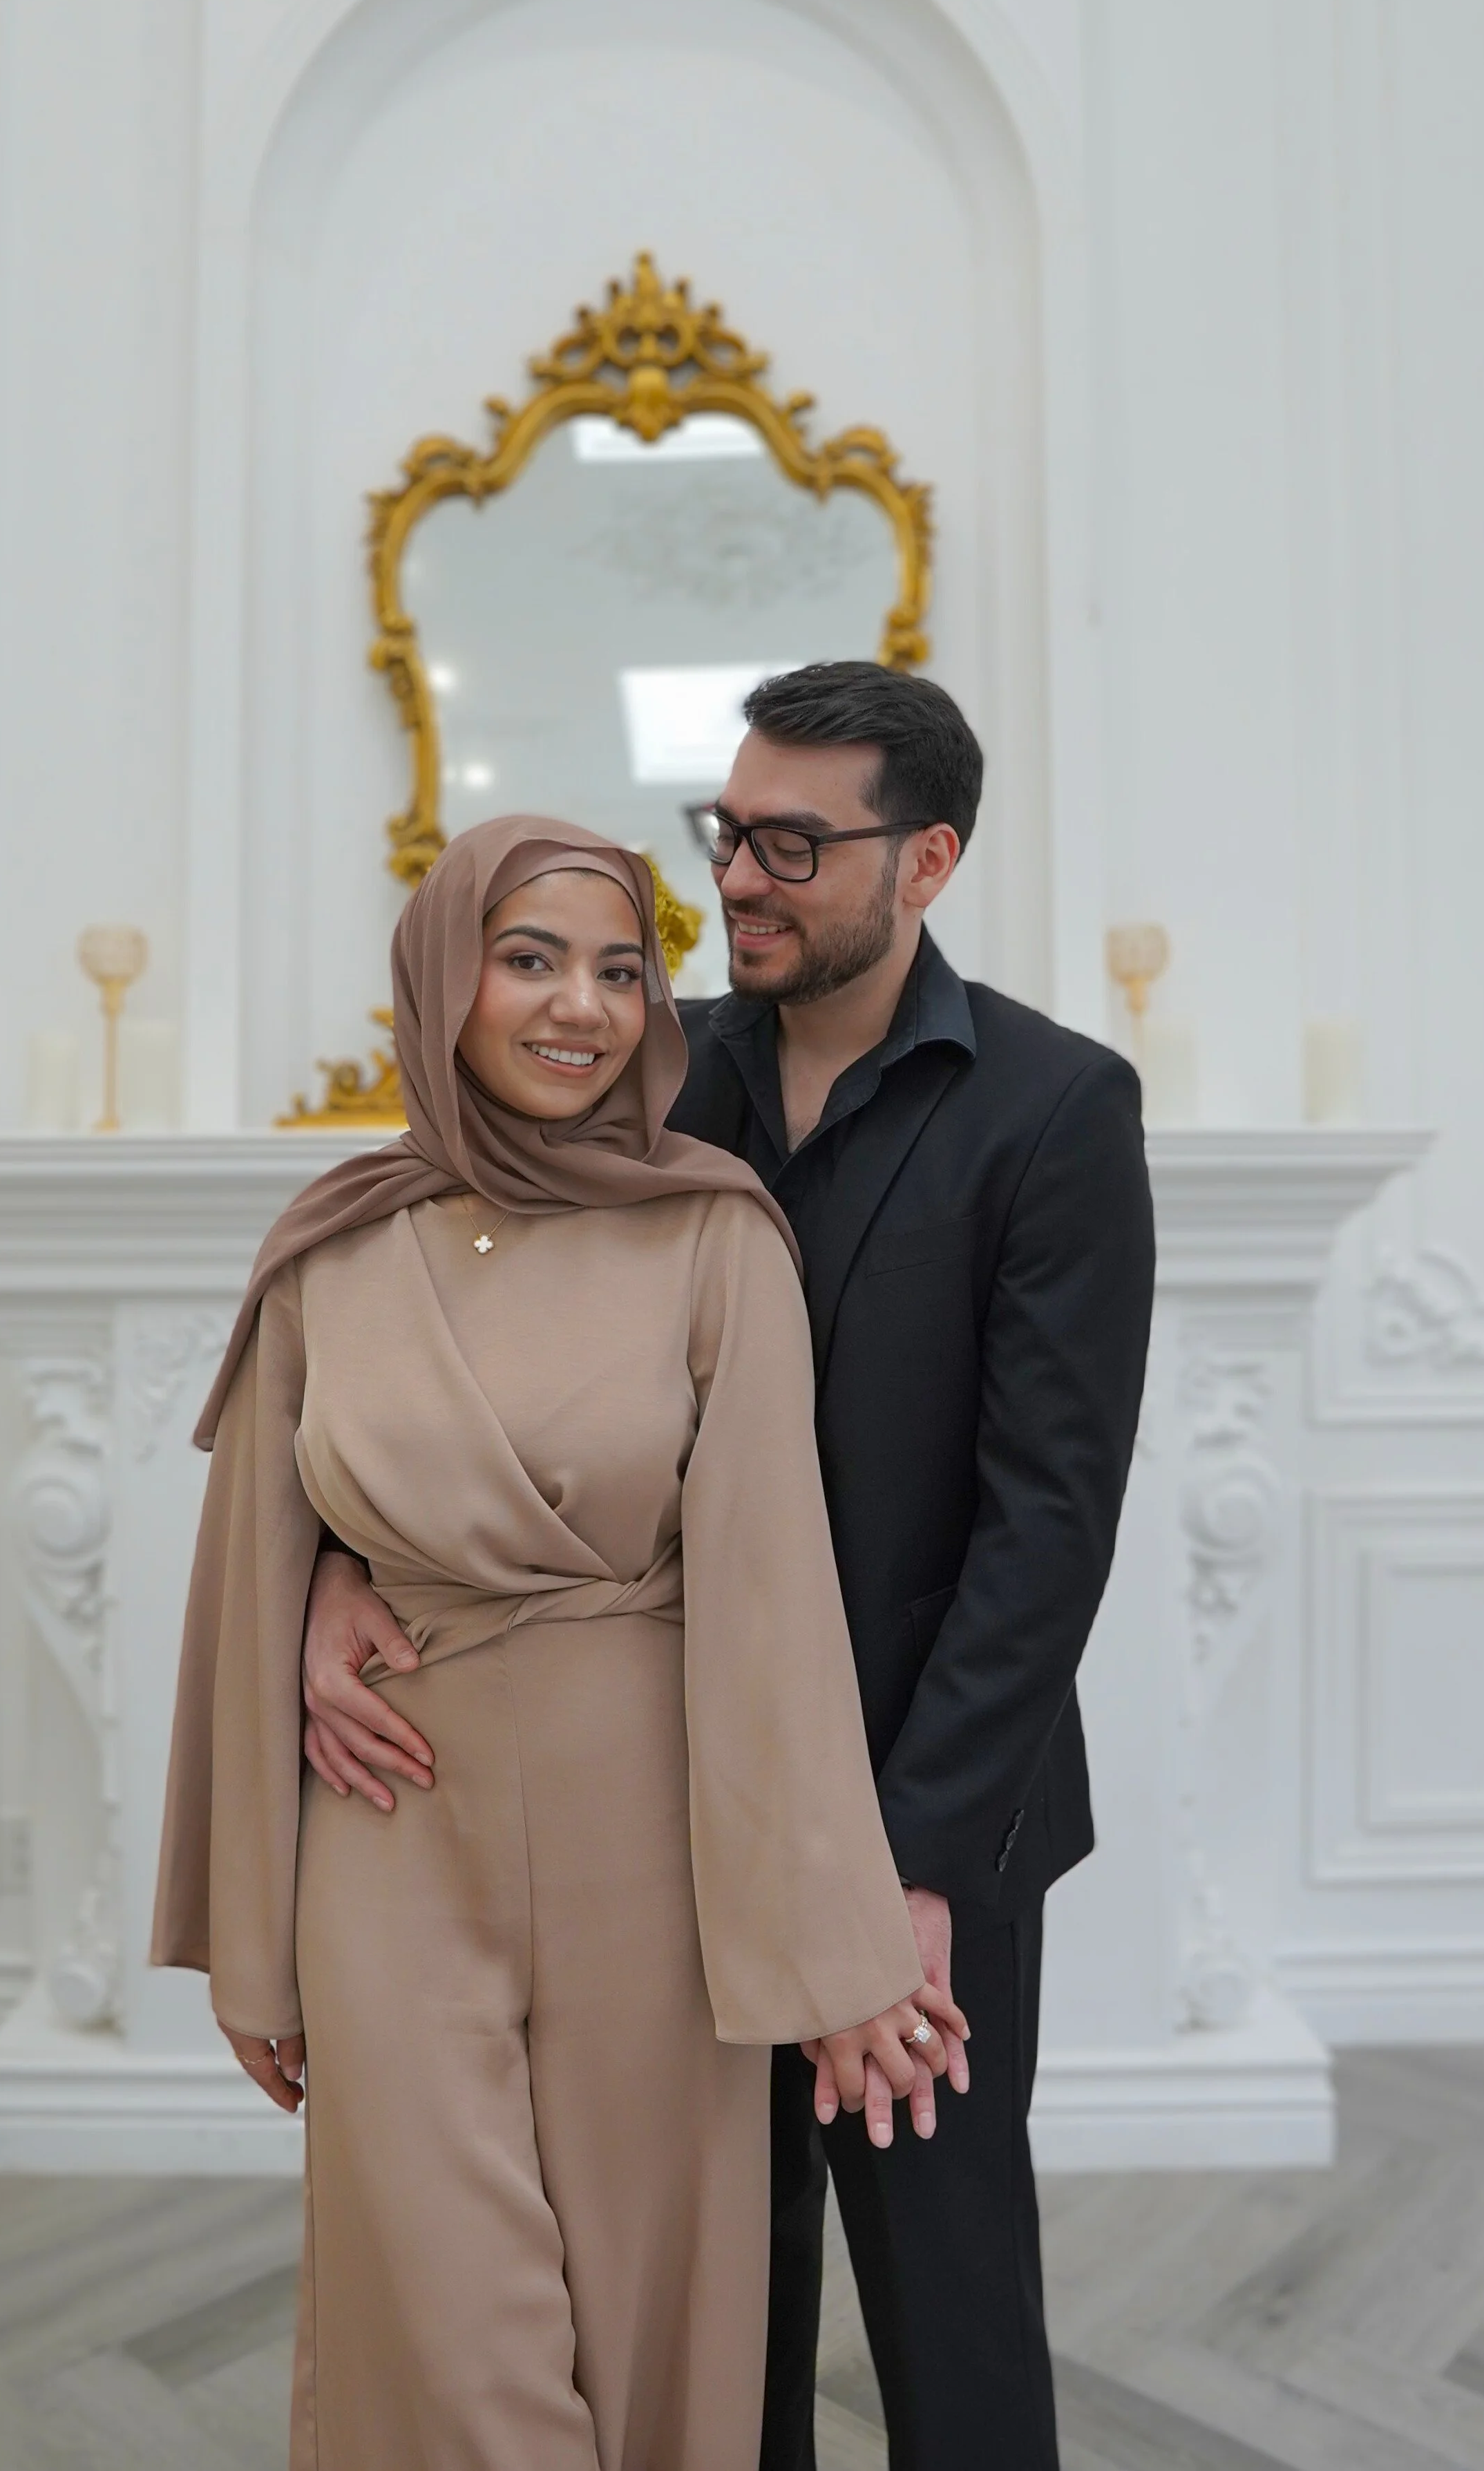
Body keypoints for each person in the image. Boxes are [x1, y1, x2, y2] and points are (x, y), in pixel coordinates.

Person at [301, 667, 1157, 2471]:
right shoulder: (646, 1065)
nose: (740, 875)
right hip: (660, 1804)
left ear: (923, 861)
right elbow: (432, 1315)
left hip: (927, 1818)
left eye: (792, 839)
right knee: (696, 2299)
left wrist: (901, 1872)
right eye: (728, 830)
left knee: (947, 2294)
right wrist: (328, 1575)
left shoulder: (1055, 1110)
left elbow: (1046, 1523)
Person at [151, 813, 965, 2471]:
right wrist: (251, 1926)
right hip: (389, 1838)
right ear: (444, 978)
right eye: (527, 959)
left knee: (645, 2328)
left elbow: (768, 1602)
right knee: (445, 2340)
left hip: (648, 1859)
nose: (576, 1006)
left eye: (616, 968)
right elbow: (251, 1566)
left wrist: (835, 1946)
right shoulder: (332, 1242)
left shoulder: (713, 1232)